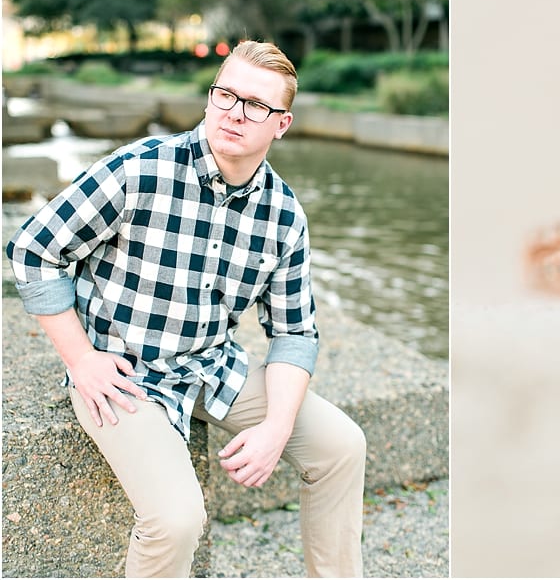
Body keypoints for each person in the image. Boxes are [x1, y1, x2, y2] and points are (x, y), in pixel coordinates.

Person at [6, 41, 366, 578]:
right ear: (210, 95)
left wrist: (274, 428)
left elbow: (294, 333)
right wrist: (82, 360)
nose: (234, 113)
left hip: (209, 364)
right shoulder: (139, 169)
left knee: (342, 447)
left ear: (282, 124)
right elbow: (33, 248)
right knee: (176, 519)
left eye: (255, 105)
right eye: (225, 94)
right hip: (122, 372)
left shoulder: (284, 214)